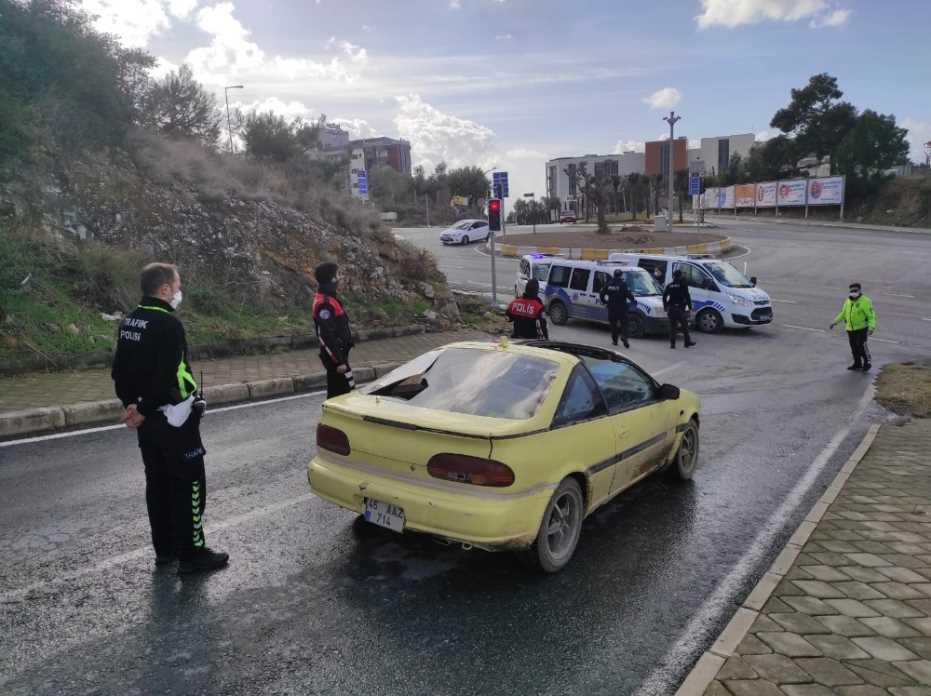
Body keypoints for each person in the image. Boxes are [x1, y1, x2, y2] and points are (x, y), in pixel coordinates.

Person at [111, 263, 229, 575]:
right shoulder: (168, 324)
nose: (179, 292)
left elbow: (118, 372)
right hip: (173, 419)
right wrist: (147, 408)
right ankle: (192, 553)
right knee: (190, 483)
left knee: (157, 483)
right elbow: (168, 379)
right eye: (177, 286)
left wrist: (133, 407)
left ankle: (164, 550)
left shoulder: (129, 322)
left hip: (145, 421)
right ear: (164, 289)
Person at [313, 262, 355, 398]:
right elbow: (325, 334)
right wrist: (339, 361)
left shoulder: (330, 298)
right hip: (336, 358)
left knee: (343, 394)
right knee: (342, 396)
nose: (340, 278)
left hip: (340, 355)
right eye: (338, 275)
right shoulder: (325, 303)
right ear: (332, 279)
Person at [830, 282, 877, 372]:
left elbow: (871, 316)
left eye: (855, 290)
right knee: (854, 347)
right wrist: (834, 322)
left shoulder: (865, 301)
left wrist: (872, 327)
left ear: (859, 290)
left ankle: (867, 362)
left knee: (861, 345)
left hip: (861, 328)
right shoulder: (848, 301)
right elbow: (843, 313)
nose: (853, 292)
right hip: (850, 329)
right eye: (851, 291)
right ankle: (857, 363)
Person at [599, 269, 633, 349]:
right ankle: (624, 337)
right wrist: (632, 300)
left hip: (612, 307)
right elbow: (628, 294)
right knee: (624, 323)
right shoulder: (623, 284)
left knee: (613, 324)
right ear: (621, 275)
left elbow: (602, 294)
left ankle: (615, 341)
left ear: (614, 275)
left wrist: (604, 302)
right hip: (622, 308)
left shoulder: (609, 284)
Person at [663, 269, 696, 349]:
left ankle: (672, 344)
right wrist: (690, 307)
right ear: (680, 276)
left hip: (671, 309)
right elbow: (687, 296)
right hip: (680, 309)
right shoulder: (683, 284)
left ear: (673, 276)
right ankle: (687, 342)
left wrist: (665, 306)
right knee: (684, 326)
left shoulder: (669, 285)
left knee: (672, 327)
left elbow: (664, 297)